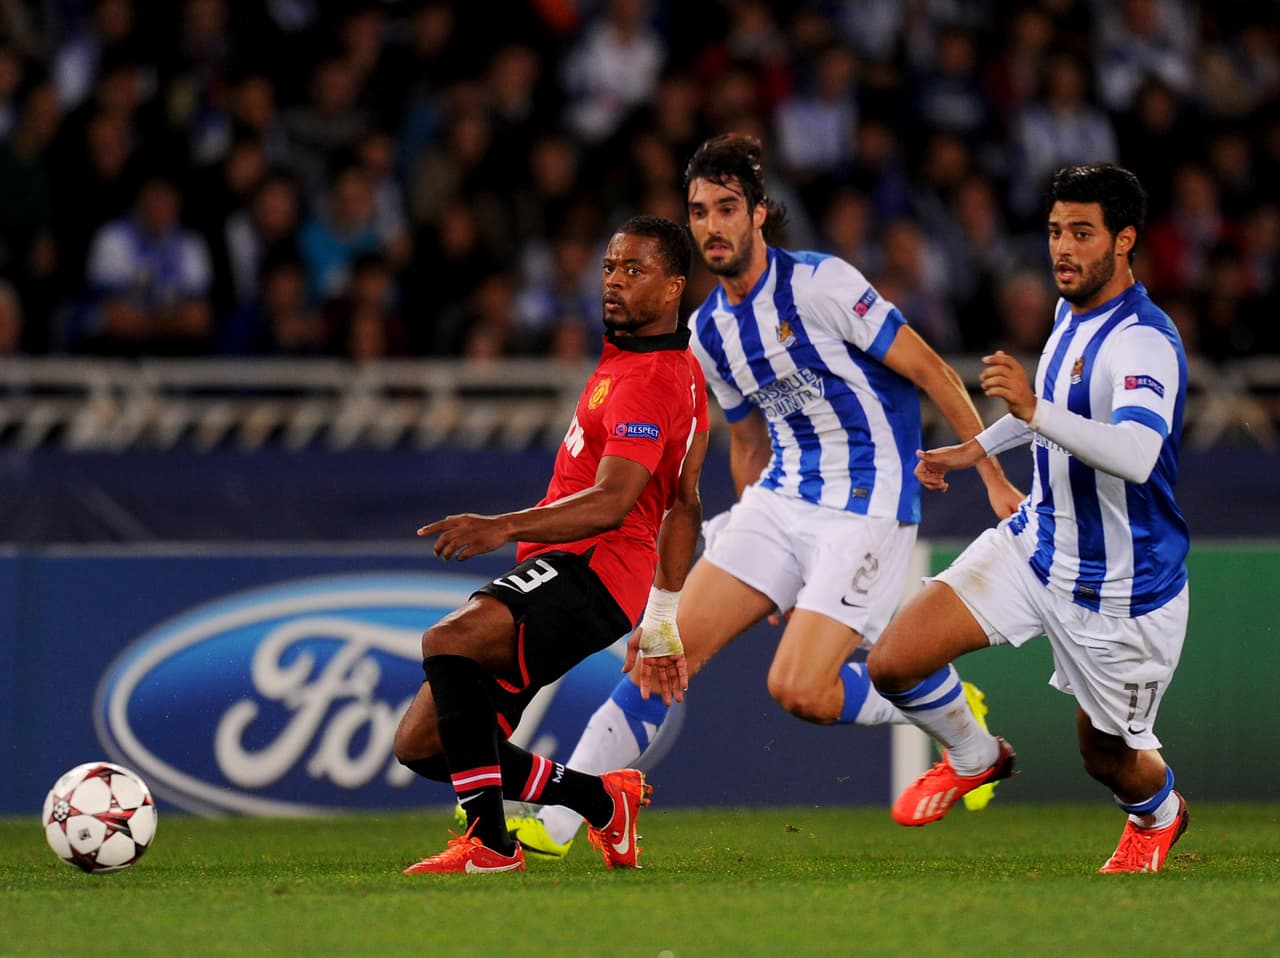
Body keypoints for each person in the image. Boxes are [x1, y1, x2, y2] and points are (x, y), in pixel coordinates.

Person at [517, 132, 1024, 857]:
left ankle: (944, 712)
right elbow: (749, 442)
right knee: (662, 649)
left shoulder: (822, 285)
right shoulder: (710, 333)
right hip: (782, 501)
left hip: (868, 506)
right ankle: (567, 813)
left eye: (727, 208)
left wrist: (992, 470)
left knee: (800, 691)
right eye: (698, 212)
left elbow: (930, 368)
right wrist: (765, 555)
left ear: (758, 214)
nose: (712, 225)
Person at [866, 163, 1191, 874]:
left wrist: (1031, 411)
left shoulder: (1144, 342)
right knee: (893, 662)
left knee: (1105, 756)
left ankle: (1160, 814)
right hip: (1038, 543)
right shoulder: (1069, 310)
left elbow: (1137, 453)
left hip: (1122, 590)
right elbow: (1049, 415)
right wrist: (972, 449)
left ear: (1125, 240)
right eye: (1054, 232)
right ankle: (977, 756)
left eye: (1082, 233)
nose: (1063, 249)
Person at [393, 214, 709, 874]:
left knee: (446, 640)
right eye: (610, 268)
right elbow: (685, 504)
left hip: (592, 566)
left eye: (634, 270)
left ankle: (490, 844)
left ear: (674, 286)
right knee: (424, 745)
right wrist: (661, 619)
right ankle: (599, 802)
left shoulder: (649, 381)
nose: (614, 282)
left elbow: (615, 500)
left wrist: (503, 525)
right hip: (586, 574)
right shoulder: (664, 368)